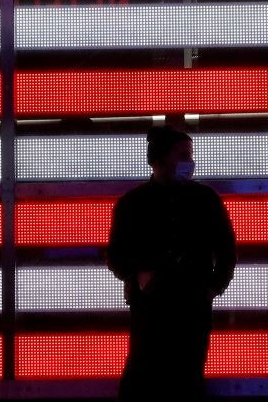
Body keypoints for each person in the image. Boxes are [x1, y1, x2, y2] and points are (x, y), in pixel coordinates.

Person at [107, 125, 236, 401]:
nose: (190, 163)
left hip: (186, 308)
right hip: (154, 310)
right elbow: (116, 255)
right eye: (184, 155)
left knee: (182, 380)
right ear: (160, 159)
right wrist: (137, 274)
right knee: (148, 380)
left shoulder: (203, 200)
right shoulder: (133, 204)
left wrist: (213, 288)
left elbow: (227, 250)